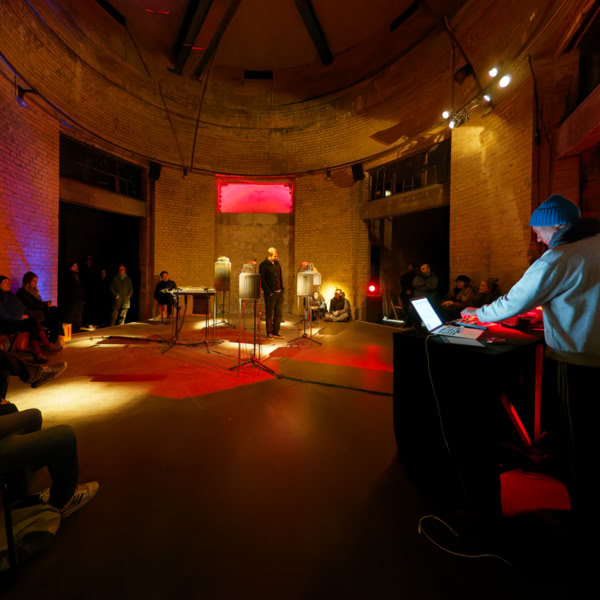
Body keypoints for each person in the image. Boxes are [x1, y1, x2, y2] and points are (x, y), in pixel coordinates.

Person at [461, 194, 600, 566]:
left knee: (580, 444)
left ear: (558, 225)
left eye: (539, 230)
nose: (537, 238)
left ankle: (583, 533)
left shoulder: (558, 257)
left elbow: (513, 302)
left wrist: (477, 315)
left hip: (578, 361)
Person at [0, 276, 59, 364]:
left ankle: (39, 354)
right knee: (32, 322)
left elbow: (22, 307)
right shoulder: (2, 296)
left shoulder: (9, 295)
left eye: (9, 282)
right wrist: (19, 316)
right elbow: (2, 314)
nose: (8, 284)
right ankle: (45, 346)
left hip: (16, 320)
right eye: (5, 282)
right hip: (7, 323)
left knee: (33, 324)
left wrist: (26, 314)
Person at [16, 272, 65, 345]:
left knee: (54, 312)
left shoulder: (34, 291)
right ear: (28, 281)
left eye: (36, 281)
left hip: (39, 309)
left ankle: (55, 339)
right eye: (34, 281)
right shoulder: (22, 291)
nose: (35, 283)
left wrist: (46, 303)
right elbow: (31, 304)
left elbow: (39, 302)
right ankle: (57, 339)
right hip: (31, 311)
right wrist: (45, 305)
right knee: (54, 313)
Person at [259, 248, 284, 339]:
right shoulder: (263, 265)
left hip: (279, 293)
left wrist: (282, 289)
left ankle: (276, 331)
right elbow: (262, 281)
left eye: (277, 256)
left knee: (278, 314)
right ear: (269, 255)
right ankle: (269, 332)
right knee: (269, 314)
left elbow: (280, 277)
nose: (276, 258)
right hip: (270, 294)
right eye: (275, 256)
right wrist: (269, 292)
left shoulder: (277, 263)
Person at [59, 262, 84, 334]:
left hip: (78, 300)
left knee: (77, 318)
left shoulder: (78, 276)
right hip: (70, 301)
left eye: (77, 266)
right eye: (75, 266)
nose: (77, 267)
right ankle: (68, 334)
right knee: (69, 318)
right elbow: (68, 289)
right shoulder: (68, 276)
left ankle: (75, 333)